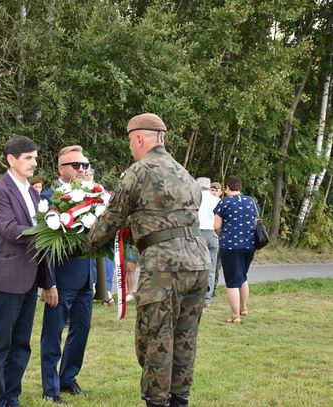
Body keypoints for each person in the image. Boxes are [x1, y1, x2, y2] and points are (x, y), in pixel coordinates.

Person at [85, 113, 210, 407]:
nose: (131, 147)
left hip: (164, 267)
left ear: (140, 138)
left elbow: (113, 216)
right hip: (199, 263)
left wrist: (84, 245)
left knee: (154, 338)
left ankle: (157, 401)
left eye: (131, 141)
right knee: (185, 337)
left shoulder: (139, 171)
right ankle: (180, 399)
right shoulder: (185, 173)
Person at [0, 135, 57, 407]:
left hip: (29, 280)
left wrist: (49, 282)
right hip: (5, 279)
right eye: (28, 158)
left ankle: (12, 396)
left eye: (35, 158)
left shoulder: (35, 193)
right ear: (11, 159)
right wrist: (50, 229)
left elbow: (43, 247)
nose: (33, 163)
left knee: (21, 344)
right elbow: (10, 230)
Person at [40, 145, 97, 404]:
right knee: (52, 334)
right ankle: (50, 388)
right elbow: (43, 247)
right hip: (61, 278)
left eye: (84, 165)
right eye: (76, 165)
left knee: (81, 330)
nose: (82, 170)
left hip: (85, 276)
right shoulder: (49, 198)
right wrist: (48, 282)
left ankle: (68, 379)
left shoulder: (93, 196)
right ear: (61, 168)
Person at [213, 175, 257, 323]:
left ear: (226, 188)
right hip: (249, 245)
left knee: (232, 281)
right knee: (242, 276)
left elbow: (217, 226)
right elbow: (255, 220)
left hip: (230, 246)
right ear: (240, 187)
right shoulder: (251, 201)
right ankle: (243, 308)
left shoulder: (224, 203)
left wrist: (223, 235)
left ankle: (235, 315)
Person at [196, 177, 220, 307]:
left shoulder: (195, 199)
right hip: (213, 233)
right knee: (211, 268)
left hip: (198, 233)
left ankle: (195, 294)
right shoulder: (217, 200)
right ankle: (207, 298)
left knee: (196, 265)